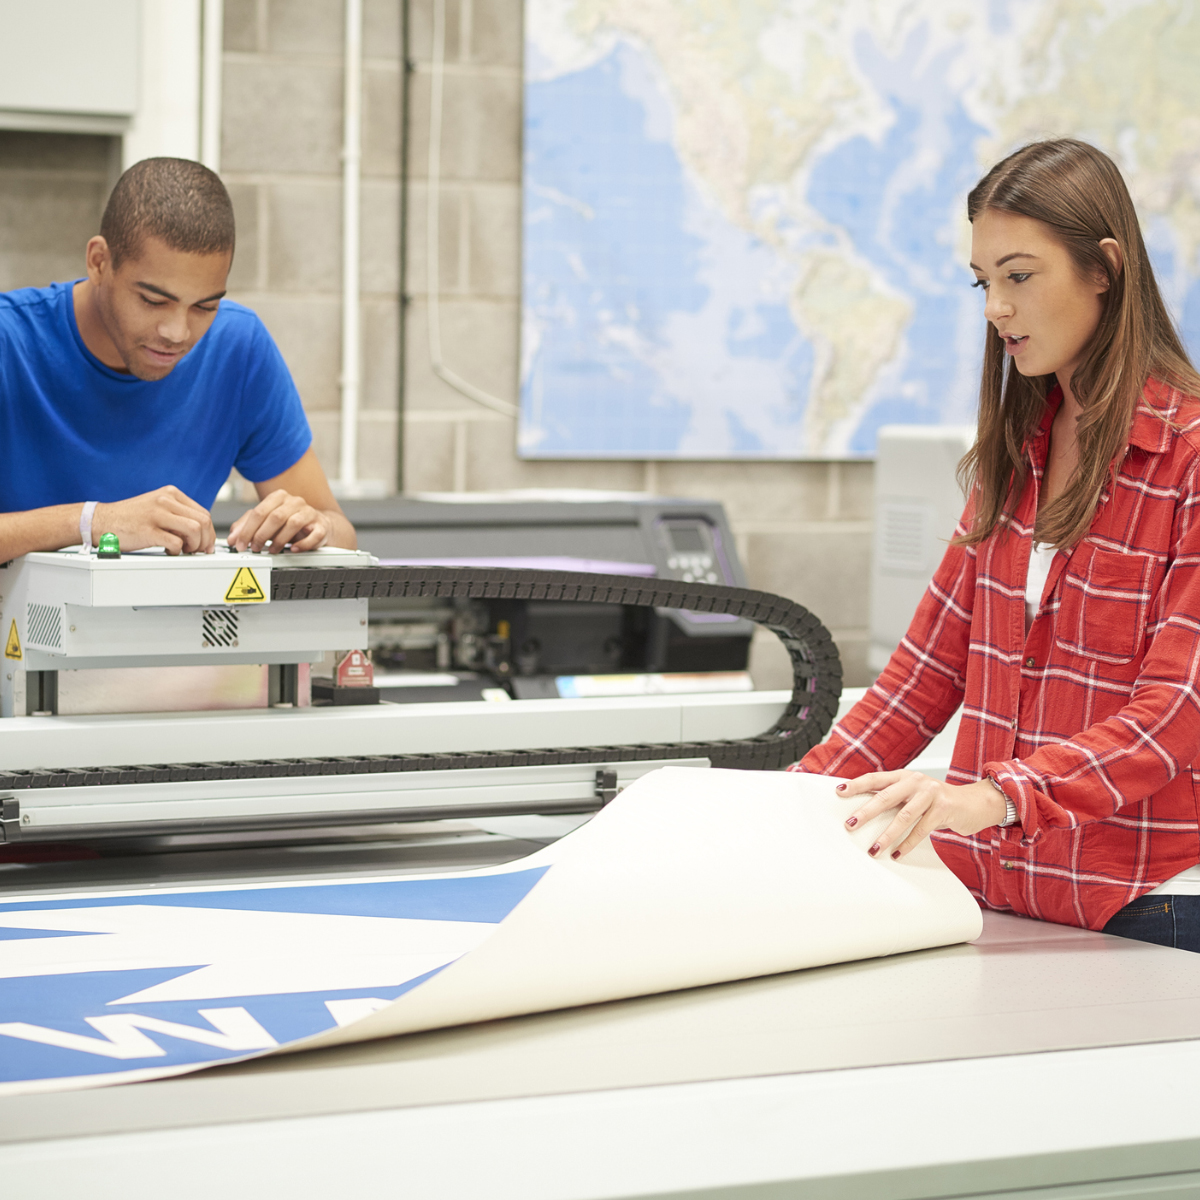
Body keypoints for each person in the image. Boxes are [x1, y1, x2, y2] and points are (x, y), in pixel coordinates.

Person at [792, 138, 1200, 952]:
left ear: (1104, 269)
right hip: (996, 899)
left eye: (1019, 276)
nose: (995, 309)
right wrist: (781, 805)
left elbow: (1175, 717)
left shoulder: (1190, 459)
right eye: (984, 282)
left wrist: (986, 797)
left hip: (1148, 908)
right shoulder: (1018, 459)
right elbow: (921, 680)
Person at [0, 157, 355, 559]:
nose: (177, 333)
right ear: (99, 262)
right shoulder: (9, 341)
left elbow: (340, 530)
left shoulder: (237, 348)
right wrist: (93, 523)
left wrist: (314, 527)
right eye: (153, 300)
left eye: (204, 307)